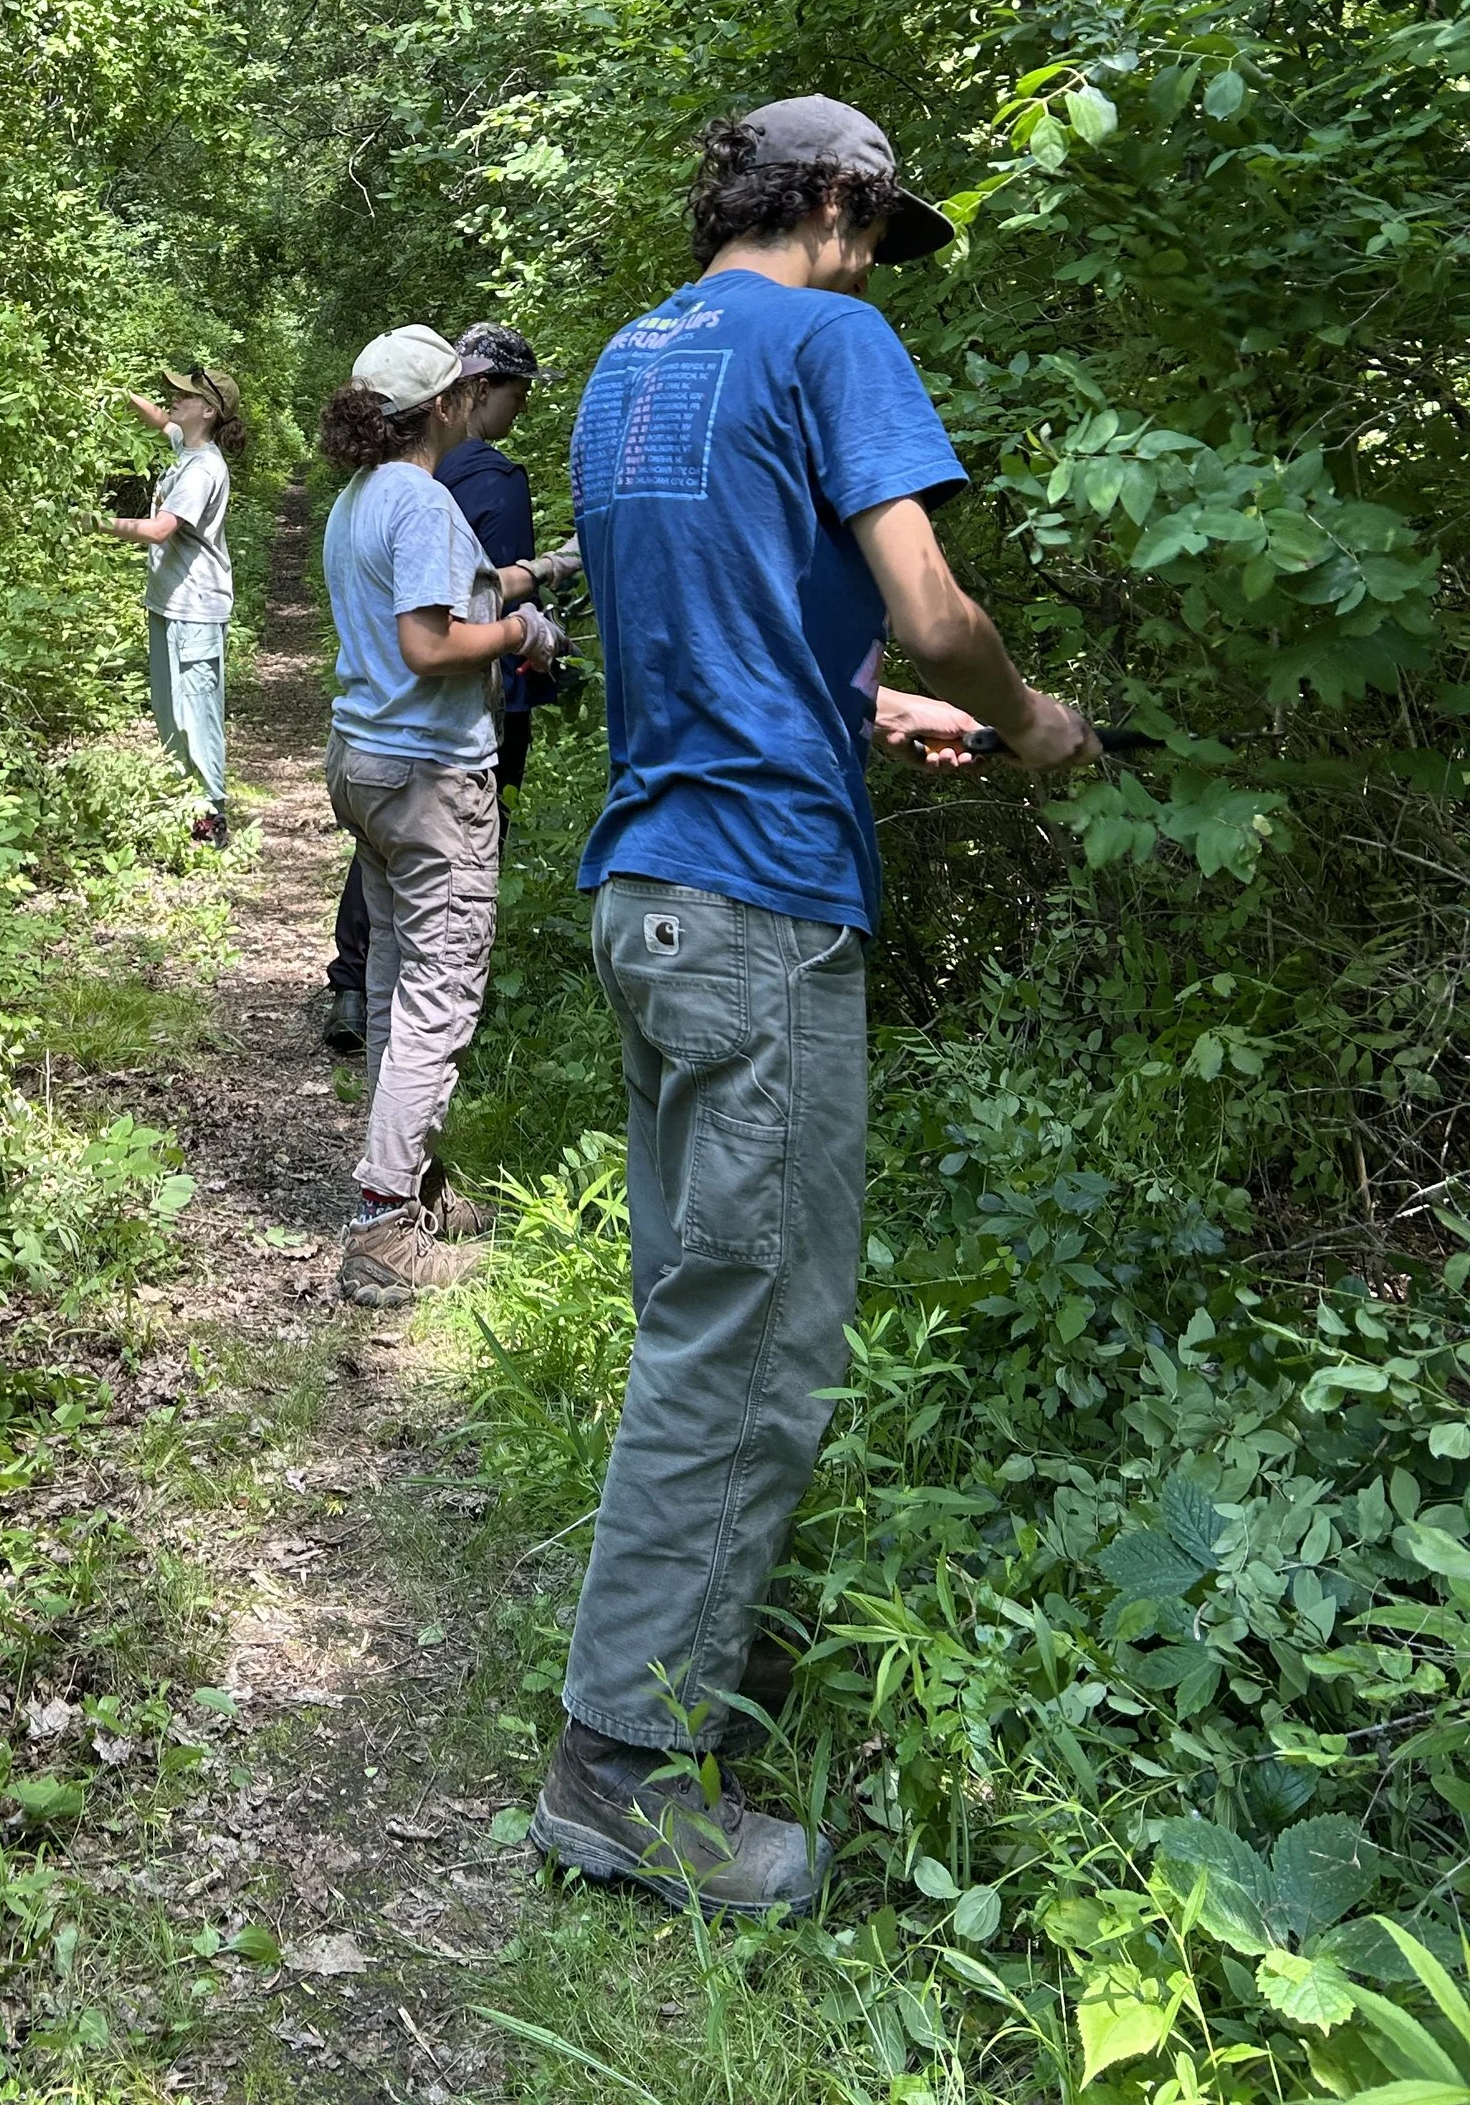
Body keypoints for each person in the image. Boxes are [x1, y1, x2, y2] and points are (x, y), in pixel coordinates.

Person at [529, 98, 1096, 1920]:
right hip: (758, 901)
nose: (877, 261)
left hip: (647, 883)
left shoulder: (628, 361)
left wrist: (859, 712)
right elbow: (930, 608)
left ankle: (656, 1678)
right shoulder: (832, 335)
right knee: (759, 1330)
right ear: (833, 196)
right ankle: (626, 1769)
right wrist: (1026, 719)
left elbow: (713, 626)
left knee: (705, 1304)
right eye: (877, 225)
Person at [317, 326, 570, 1306]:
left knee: (394, 972)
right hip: (428, 775)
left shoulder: (362, 500)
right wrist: (522, 635)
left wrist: (531, 575)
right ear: (448, 404)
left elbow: (442, 590)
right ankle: (385, 1225)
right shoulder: (422, 499)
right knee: (443, 984)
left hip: (365, 762)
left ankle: (409, 1186)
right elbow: (431, 642)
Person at [104, 364, 244, 847]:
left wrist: (95, 523)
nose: (173, 402)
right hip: (168, 602)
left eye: (184, 397)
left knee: (196, 714)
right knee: (168, 712)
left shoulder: (205, 468)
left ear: (207, 411)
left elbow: (161, 529)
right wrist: (118, 391)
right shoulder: (186, 447)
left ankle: (212, 821)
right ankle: (184, 808)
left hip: (196, 608)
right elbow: (158, 420)